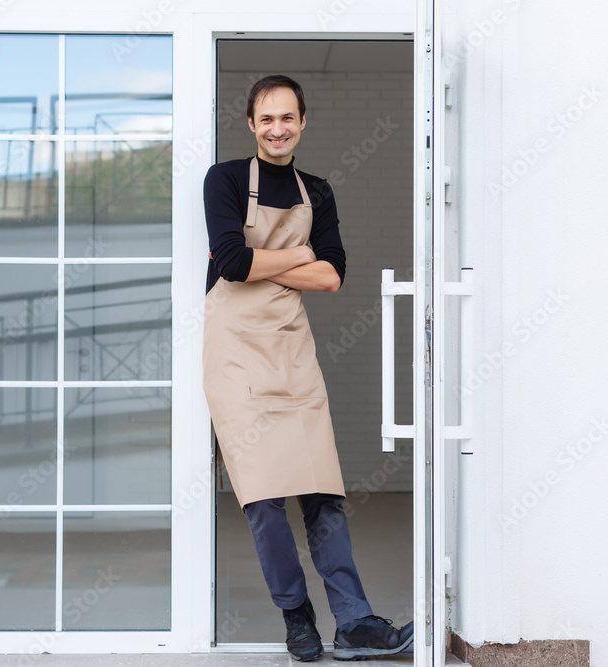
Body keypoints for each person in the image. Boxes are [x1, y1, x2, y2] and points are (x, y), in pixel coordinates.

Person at [202, 74, 413, 662]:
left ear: (302, 122)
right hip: (235, 353)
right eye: (267, 119)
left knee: (322, 491)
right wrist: (299, 254)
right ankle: (297, 617)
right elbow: (232, 263)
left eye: (287, 118)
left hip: (291, 348)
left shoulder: (317, 190)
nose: (278, 129)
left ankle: (355, 622)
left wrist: (261, 260)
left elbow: (332, 275)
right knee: (262, 497)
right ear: (251, 123)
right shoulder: (224, 179)